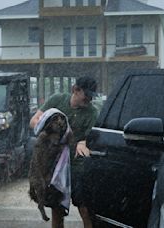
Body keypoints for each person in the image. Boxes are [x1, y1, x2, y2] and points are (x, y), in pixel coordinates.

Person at [30, 76, 98, 228]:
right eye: (86, 95)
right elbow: (34, 121)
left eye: (92, 96)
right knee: (57, 208)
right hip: (55, 166)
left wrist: (84, 143)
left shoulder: (92, 113)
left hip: (77, 167)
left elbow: (92, 139)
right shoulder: (57, 101)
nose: (89, 99)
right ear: (75, 90)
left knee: (85, 208)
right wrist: (52, 130)